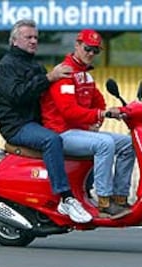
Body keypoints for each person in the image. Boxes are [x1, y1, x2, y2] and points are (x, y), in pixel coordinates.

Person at [0, 19, 92, 223]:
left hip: (36, 123)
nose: (33, 41)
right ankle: (66, 198)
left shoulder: (35, 65)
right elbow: (17, 95)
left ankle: (87, 192)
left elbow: (51, 97)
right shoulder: (6, 66)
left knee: (88, 141)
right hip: (17, 125)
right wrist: (49, 78)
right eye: (28, 37)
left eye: (36, 37)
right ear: (14, 41)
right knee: (51, 140)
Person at [40, 29, 135, 219]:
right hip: (62, 133)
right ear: (77, 45)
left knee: (128, 144)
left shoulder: (86, 75)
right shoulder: (65, 72)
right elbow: (68, 111)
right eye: (87, 48)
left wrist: (98, 119)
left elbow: (99, 102)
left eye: (95, 51)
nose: (91, 53)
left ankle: (120, 197)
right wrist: (100, 115)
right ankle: (104, 202)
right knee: (104, 144)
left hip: (79, 132)